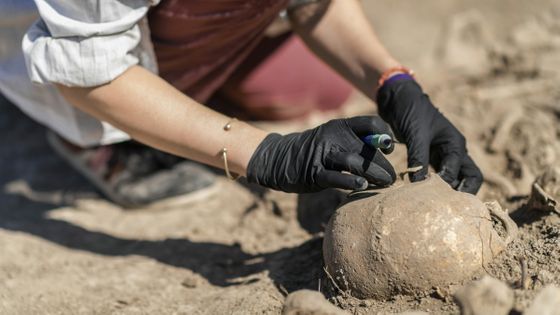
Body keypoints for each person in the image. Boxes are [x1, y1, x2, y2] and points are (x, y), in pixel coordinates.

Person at [0, 0, 482, 207]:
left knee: (307, 88)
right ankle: (103, 135)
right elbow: (85, 68)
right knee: (100, 97)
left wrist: (393, 82)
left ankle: (183, 92)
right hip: (64, 40)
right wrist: (266, 153)